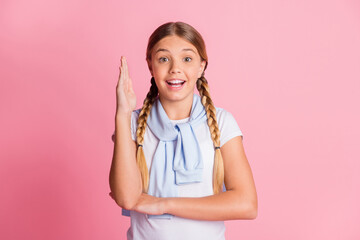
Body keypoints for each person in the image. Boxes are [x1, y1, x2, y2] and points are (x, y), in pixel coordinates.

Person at [109, 21, 258, 240]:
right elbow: (127, 198)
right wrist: (122, 114)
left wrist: (163, 204)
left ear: (201, 66)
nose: (175, 68)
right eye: (163, 59)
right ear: (150, 65)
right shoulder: (132, 122)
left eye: (187, 59)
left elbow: (246, 204)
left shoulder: (222, 122)